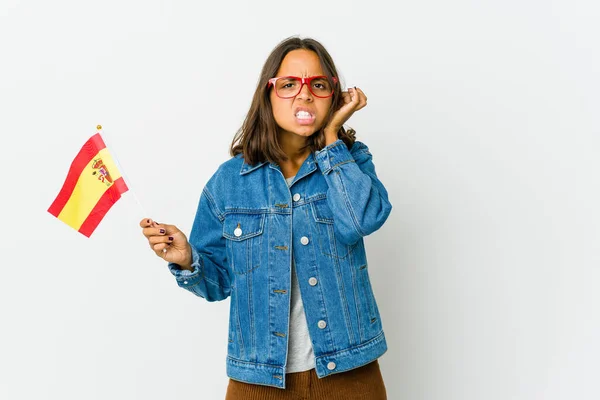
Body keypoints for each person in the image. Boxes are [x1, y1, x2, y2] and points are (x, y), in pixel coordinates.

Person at [140, 36, 392, 399]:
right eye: (289, 84)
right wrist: (188, 260)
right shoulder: (229, 182)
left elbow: (360, 220)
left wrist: (332, 138)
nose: (304, 96)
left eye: (318, 85)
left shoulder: (350, 161)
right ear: (268, 94)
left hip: (350, 374)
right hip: (258, 380)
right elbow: (217, 284)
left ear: (334, 97)